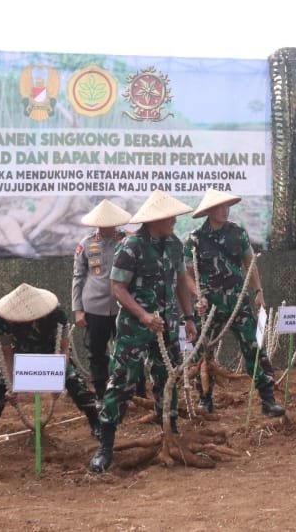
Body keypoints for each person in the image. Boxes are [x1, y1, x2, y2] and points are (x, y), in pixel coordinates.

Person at [89, 191, 201, 474]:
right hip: (134, 329)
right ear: (155, 220)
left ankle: (170, 429)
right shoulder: (131, 246)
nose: (175, 221)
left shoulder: (174, 245)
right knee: (123, 381)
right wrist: (143, 315)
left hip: (167, 325)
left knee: (169, 376)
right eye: (170, 217)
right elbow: (117, 288)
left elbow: (179, 282)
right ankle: (105, 446)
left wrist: (188, 317)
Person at [186, 189, 284, 417]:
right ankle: (205, 399)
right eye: (220, 207)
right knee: (202, 353)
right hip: (208, 307)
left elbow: (250, 263)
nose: (225, 210)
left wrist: (258, 291)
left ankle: (268, 400)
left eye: (227, 206)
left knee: (254, 348)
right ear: (210, 211)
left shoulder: (238, 233)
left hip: (237, 303)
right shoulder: (195, 239)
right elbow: (187, 274)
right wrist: (198, 295)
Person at [0, 284, 102, 448]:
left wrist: (58, 379)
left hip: (51, 354)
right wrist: (11, 384)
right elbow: (7, 353)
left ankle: (97, 425)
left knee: (76, 384)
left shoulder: (56, 315)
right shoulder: (2, 320)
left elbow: (64, 348)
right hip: (19, 356)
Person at [72, 199, 131, 400]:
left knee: (129, 350)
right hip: (94, 307)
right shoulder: (86, 244)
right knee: (96, 352)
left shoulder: (127, 241)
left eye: (111, 221)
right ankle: (100, 394)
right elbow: (78, 277)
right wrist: (78, 309)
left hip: (124, 306)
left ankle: (133, 391)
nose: (107, 225)